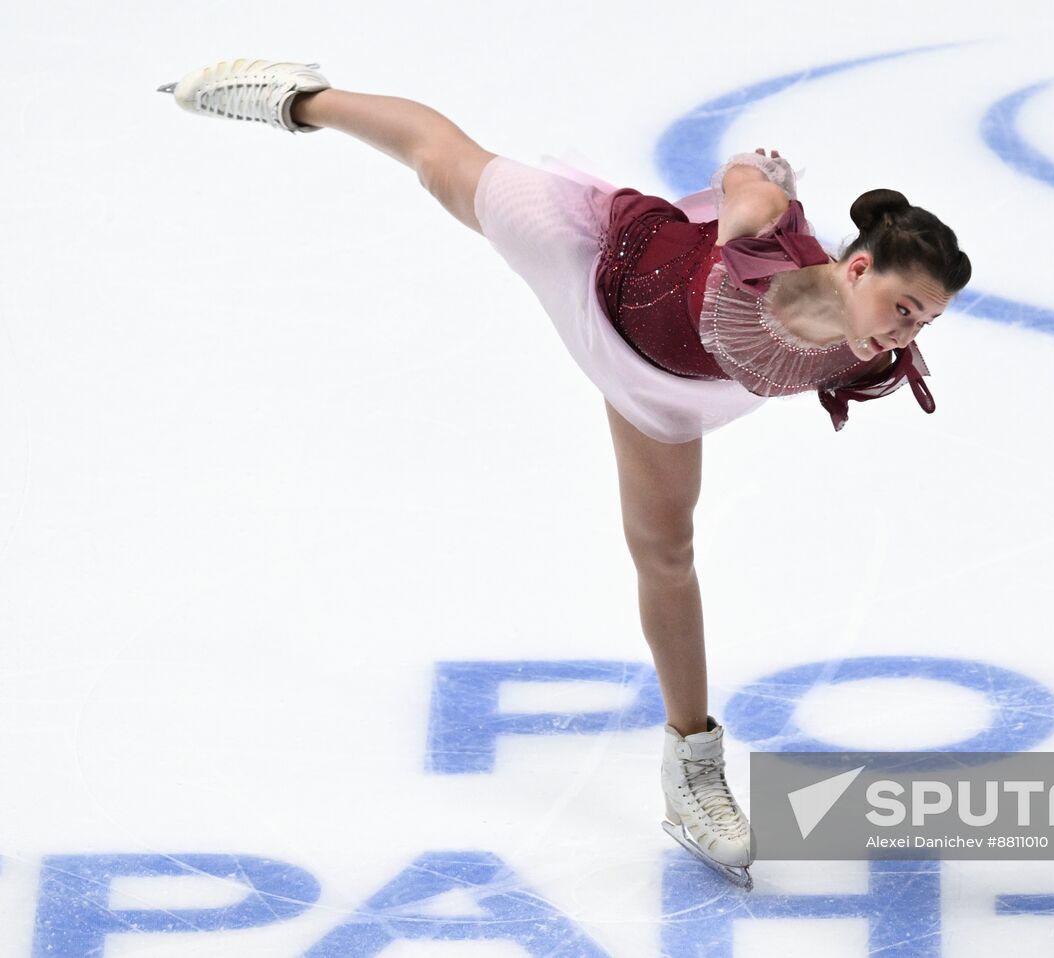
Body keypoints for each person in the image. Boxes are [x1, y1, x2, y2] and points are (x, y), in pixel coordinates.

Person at [158, 58, 972, 890]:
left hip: (663, 388)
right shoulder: (763, 230)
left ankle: (691, 767)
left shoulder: (868, 354)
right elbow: (744, 179)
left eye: (927, 322)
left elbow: (830, 348)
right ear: (860, 269)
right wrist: (755, 181)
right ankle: (301, 98)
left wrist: (875, 333)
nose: (907, 335)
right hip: (598, 264)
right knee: (443, 162)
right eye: (905, 309)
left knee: (666, 554)